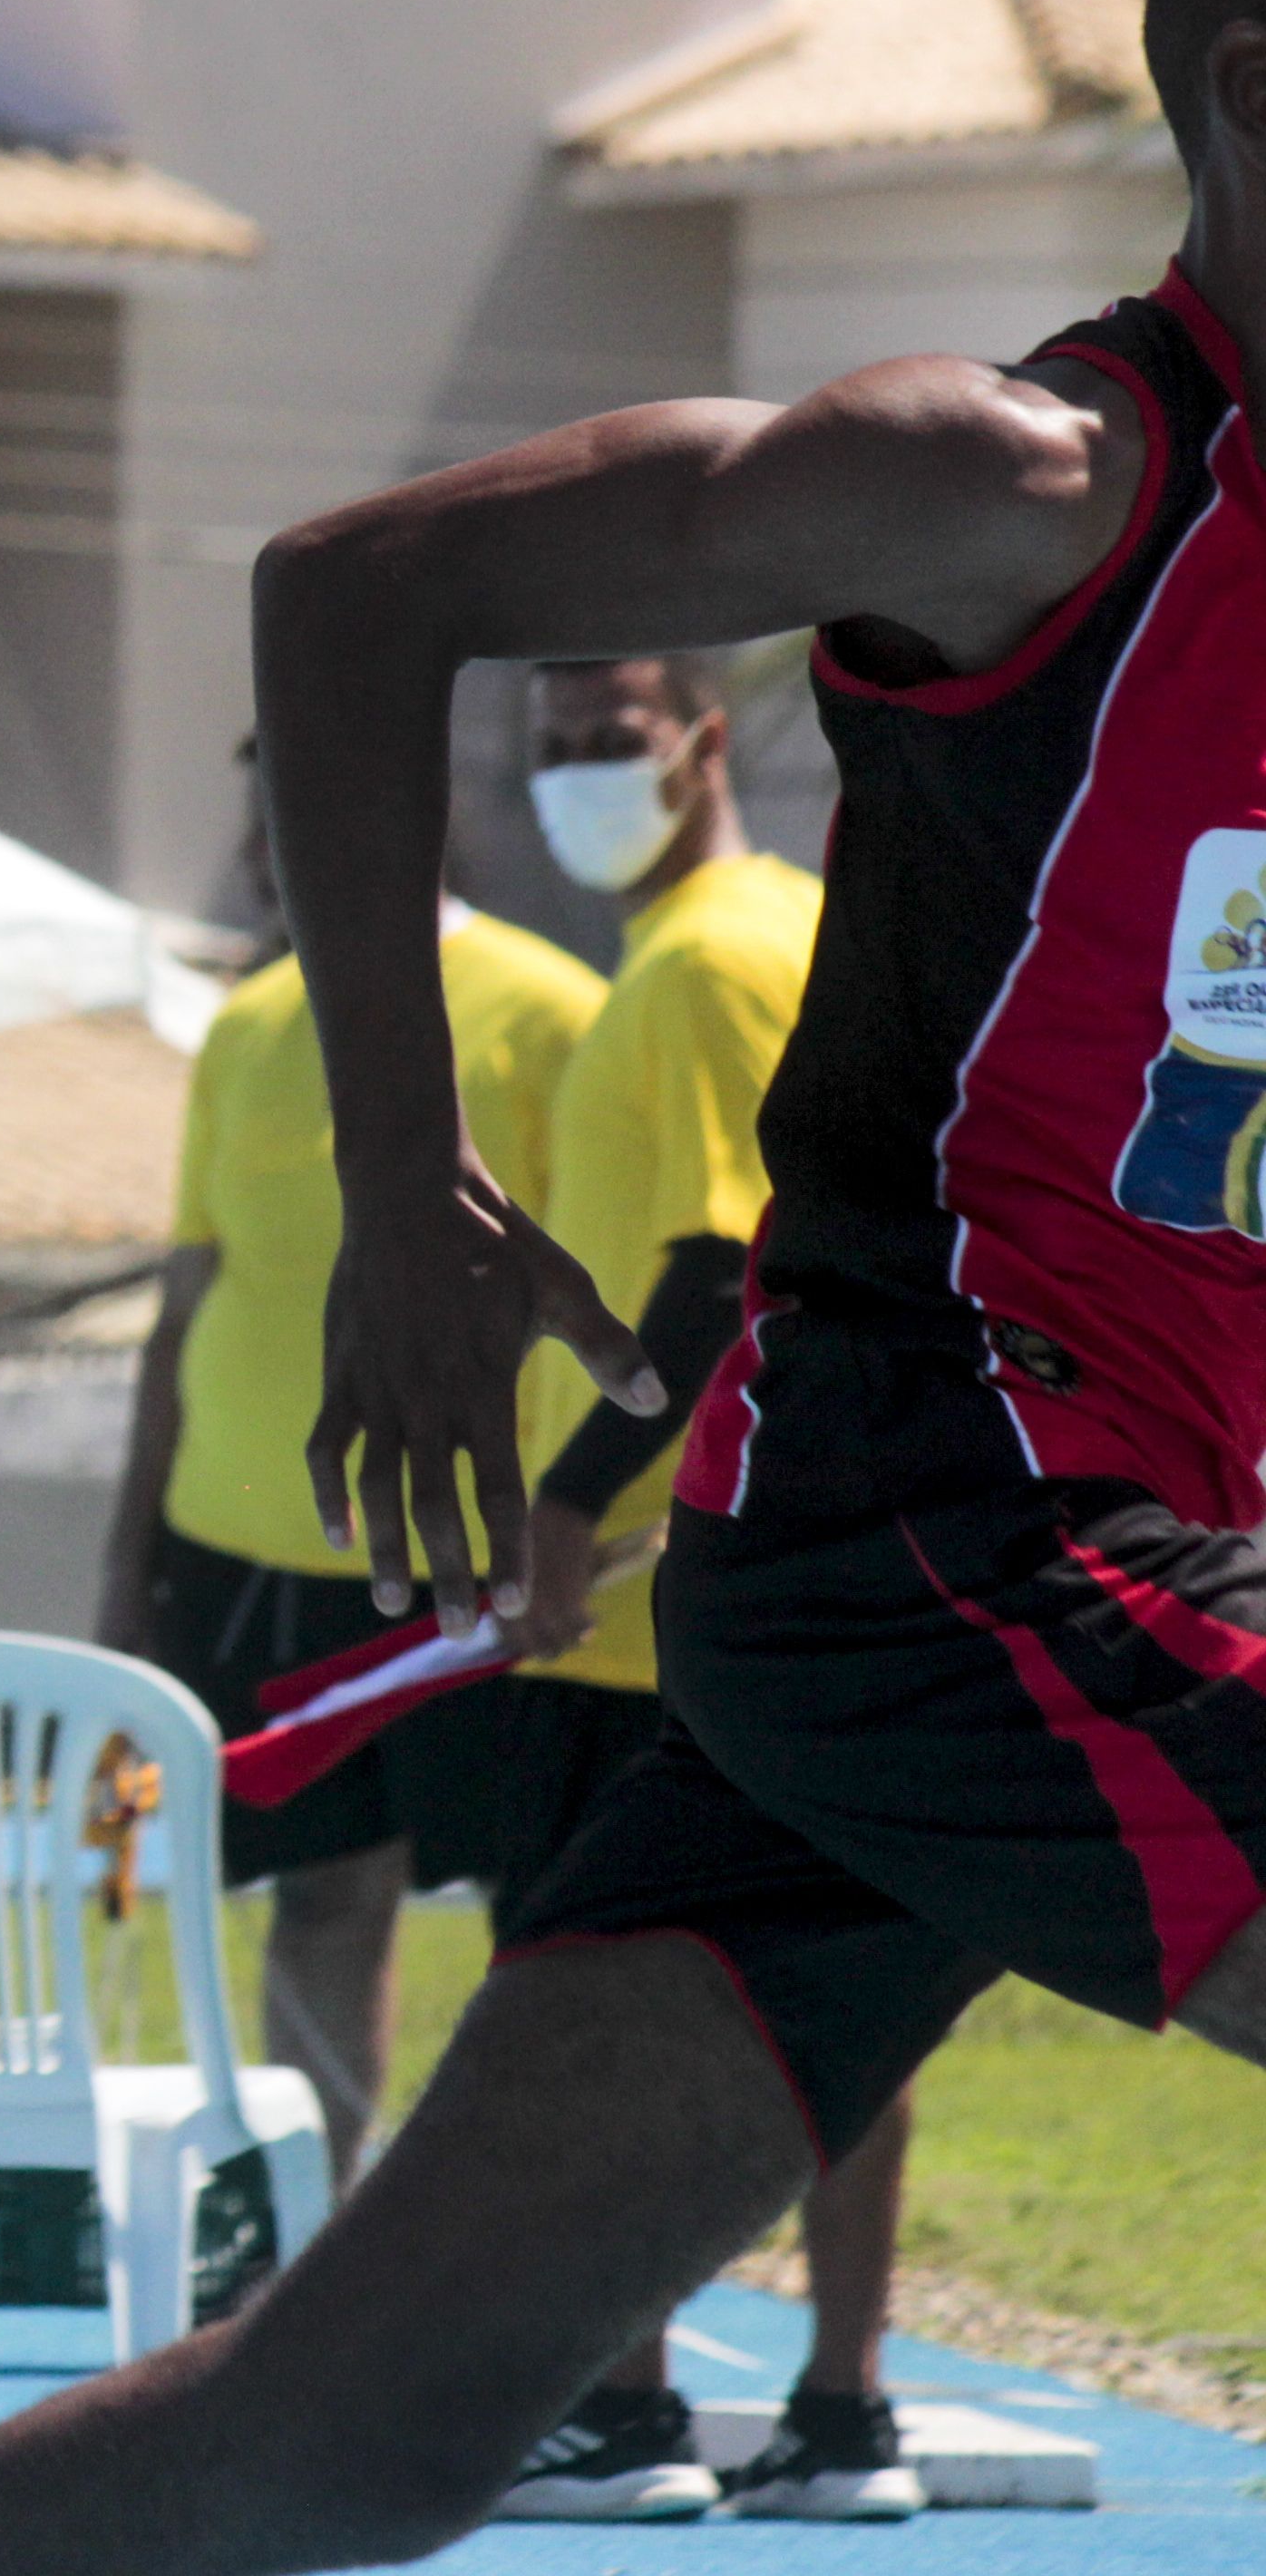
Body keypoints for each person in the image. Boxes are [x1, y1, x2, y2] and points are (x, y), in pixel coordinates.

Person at [0, 0, 1266, 2575]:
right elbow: (362, 585)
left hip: (1004, 1576)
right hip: (944, 1521)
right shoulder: (1022, 480)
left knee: (350, 2429)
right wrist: (405, 1186)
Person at [468, 651, 922, 2523]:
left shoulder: (705, 959)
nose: (583, 772)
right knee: (845, 1985)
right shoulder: (774, 928)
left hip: (680, 1603)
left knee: (603, 1994)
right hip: (808, 1577)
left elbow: (724, 1271)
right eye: (553, 745)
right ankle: (837, 2417)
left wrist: (566, 1509)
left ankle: (637, 2407)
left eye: (614, 737)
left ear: (705, 740)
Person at [97, 766, 599, 2165]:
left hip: (463, 1558)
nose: (266, 852)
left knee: (535, 1912)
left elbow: (606, 1289)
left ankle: (508, 2222)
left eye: (294, 814)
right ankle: (308, 2220)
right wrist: (126, 1566)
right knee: (317, 1898)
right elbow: (184, 1309)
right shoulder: (246, 1028)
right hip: (244, 1551)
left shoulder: (552, 1012)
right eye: (256, 821)